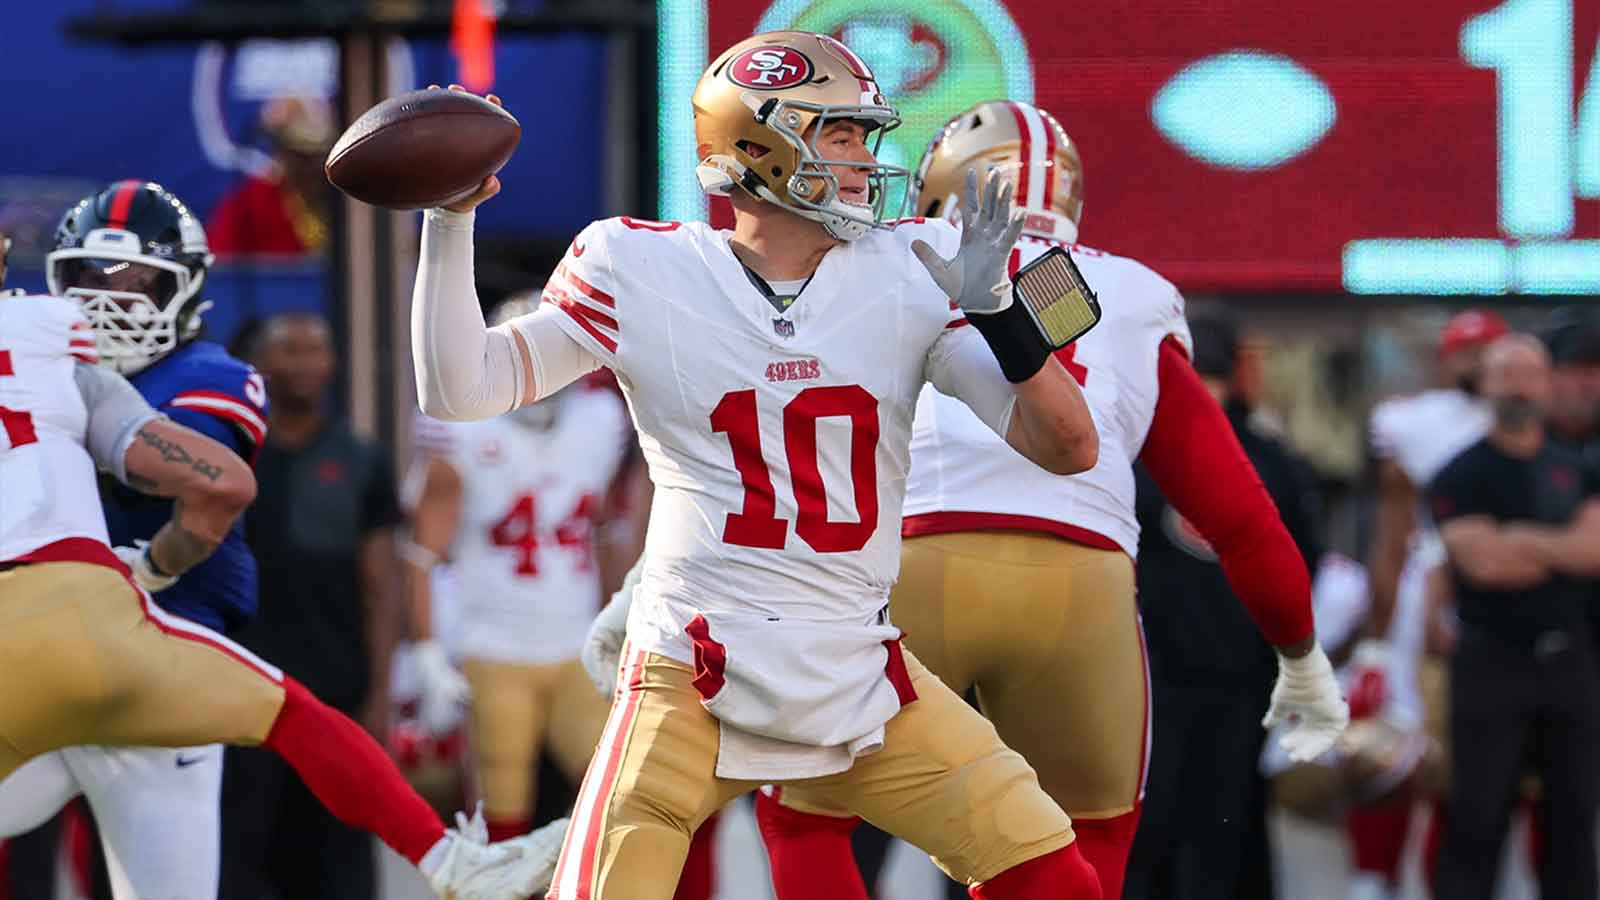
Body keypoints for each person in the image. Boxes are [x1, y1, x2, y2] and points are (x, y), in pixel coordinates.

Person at [411, 24, 1112, 898]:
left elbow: (1067, 446)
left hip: (860, 667)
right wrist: (449, 220)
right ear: (760, 143)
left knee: (1053, 877)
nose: (865, 157)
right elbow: (462, 389)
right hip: (692, 672)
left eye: (866, 135)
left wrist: (1004, 311)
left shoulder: (907, 269)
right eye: (842, 132)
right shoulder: (641, 265)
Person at [729, 101, 1344, 900]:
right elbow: (1239, 516)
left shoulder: (873, 261)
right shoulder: (1127, 291)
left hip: (904, 570)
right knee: (1078, 843)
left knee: (806, 820)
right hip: (1081, 592)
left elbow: (769, 437)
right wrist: (1300, 657)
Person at [0, 292, 555, 900]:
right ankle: (447, 858)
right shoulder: (57, 348)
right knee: (298, 715)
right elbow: (225, 483)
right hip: (105, 618)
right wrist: (155, 566)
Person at [0, 180, 268, 900]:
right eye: (88, 278)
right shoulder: (39, 366)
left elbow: (191, 478)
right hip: (43, 657)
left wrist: (146, 570)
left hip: (162, 658)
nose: (107, 299)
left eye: (137, 281)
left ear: (187, 290)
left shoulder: (211, 375)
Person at [403, 295, 634, 843]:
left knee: (618, 796)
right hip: (493, 644)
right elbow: (420, 553)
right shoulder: (460, 428)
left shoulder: (601, 420)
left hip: (576, 640)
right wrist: (427, 653)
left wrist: (623, 621)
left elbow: (602, 532)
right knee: (502, 806)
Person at [1123, 313, 1324, 900]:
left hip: (1237, 681)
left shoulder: (1269, 460)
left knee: (1221, 837)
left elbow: (1300, 566)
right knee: (1150, 833)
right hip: (1151, 677)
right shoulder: (1132, 450)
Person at [216, 311, 401, 899]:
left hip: (337, 687)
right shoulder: (227, 454)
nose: (304, 362)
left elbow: (381, 583)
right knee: (246, 844)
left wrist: (380, 691)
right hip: (247, 685)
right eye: (289, 349)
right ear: (261, 366)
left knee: (340, 847)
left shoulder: (361, 458)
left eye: (316, 349)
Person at [1428, 334, 1600, 900]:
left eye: (1531, 373)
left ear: (1548, 383)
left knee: (1574, 824)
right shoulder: (1460, 474)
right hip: (1489, 665)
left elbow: (1593, 551)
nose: (1520, 386)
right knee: (1477, 820)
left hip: (1571, 665)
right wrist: (1559, 547)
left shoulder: (1579, 469)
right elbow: (1483, 565)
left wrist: (1520, 538)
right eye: (1506, 374)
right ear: (1484, 385)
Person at [1347, 309, 1508, 898]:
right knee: (1391, 745)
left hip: (1502, 602)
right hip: (1423, 601)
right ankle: (1373, 877)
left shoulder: (1524, 419)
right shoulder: (1411, 421)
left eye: (1486, 350)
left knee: (1471, 764)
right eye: (1466, 350)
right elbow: (1392, 534)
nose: (1475, 362)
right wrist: (1376, 637)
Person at [207, 96, 335, 257]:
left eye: (320, 155)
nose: (313, 167)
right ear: (281, 152)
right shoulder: (249, 204)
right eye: (301, 156)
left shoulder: (346, 203)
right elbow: (220, 269)